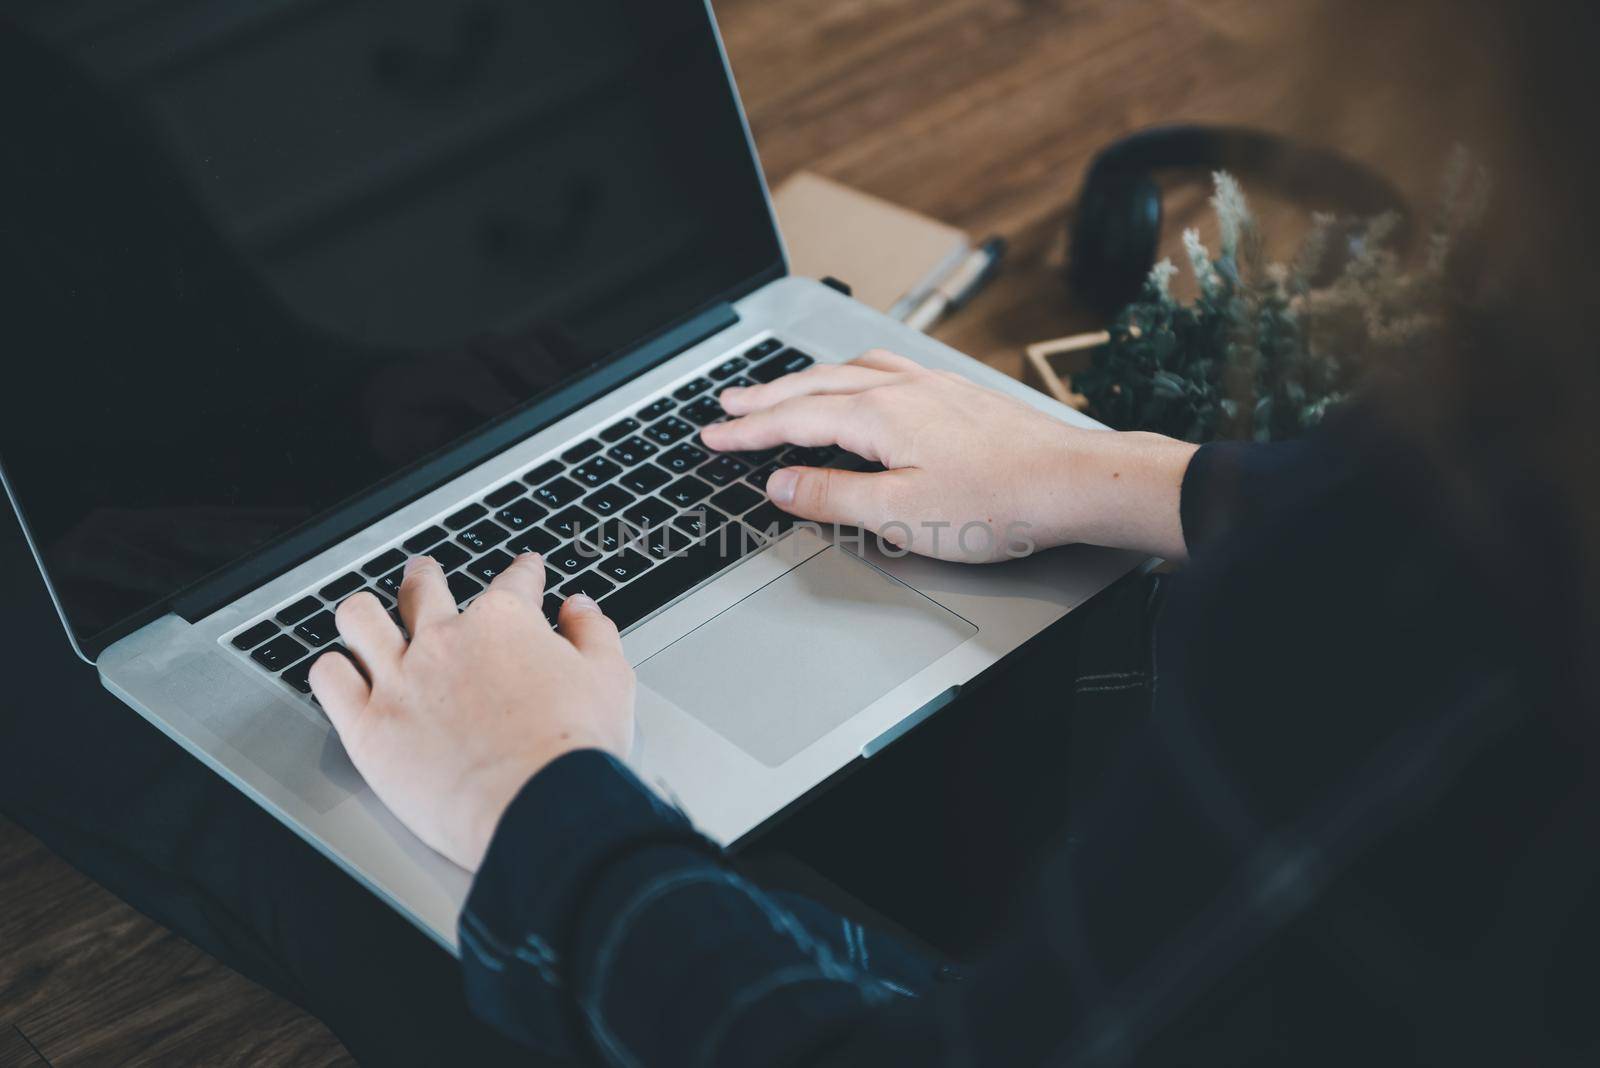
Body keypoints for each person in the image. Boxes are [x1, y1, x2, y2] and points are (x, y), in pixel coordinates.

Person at [4, 0, 1597, 1064]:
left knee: (135, 750)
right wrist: (1119, 478)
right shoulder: (1486, 542)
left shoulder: (1461, 646)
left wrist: (538, 798)